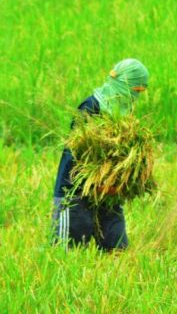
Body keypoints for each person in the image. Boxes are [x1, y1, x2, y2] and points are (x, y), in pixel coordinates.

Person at [52, 58, 149, 251]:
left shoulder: (123, 114)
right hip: (75, 194)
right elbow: (77, 158)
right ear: (124, 83)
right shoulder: (90, 108)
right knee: (67, 253)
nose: (135, 97)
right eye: (135, 90)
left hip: (109, 194)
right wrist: (97, 185)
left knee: (117, 250)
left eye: (140, 93)